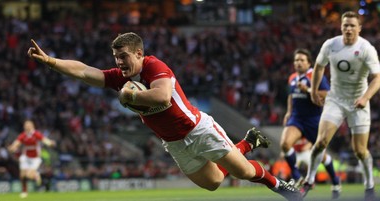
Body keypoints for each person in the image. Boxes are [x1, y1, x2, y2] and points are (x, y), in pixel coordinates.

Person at [27, 32, 302, 201]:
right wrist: (52, 62)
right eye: (115, 57)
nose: (118, 62)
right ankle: (246, 143)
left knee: (243, 172)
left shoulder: (154, 66)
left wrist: (130, 96)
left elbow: (161, 97)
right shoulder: (120, 77)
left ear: (138, 53)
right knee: (214, 183)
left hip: (198, 129)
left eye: (123, 56)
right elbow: (86, 71)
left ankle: (281, 187)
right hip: (174, 143)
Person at [301, 11, 380, 201]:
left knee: (360, 151)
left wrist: (365, 98)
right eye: (345, 25)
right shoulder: (331, 45)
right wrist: (313, 91)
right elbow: (319, 66)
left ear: (359, 28)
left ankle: (369, 186)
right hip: (335, 99)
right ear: (341, 27)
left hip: (358, 102)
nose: (349, 29)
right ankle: (309, 181)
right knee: (320, 142)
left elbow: (377, 78)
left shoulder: (366, 49)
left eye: (353, 25)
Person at [280, 48, 341, 198]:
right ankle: (297, 176)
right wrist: (288, 112)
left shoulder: (315, 75)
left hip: (314, 119)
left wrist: (308, 89)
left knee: (322, 154)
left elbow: (327, 94)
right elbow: (291, 95)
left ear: (309, 63)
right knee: (285, 144)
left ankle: (335, 179)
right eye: (296, 60)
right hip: (297, 118)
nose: (298, 63)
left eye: (302, 60)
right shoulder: (292, 77)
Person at [8, 120, 56, 198]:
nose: (27, 126)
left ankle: (36, 175)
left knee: (29, 175)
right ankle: (24, 192)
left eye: (29, 125)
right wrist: (12, 148)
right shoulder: (23, 135)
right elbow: (16, 143)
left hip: (35, 158)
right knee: (22, 175)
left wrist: (50, 143)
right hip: (25, 157)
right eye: (26, 125)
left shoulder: (36, 134)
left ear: (32, 126)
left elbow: (45, 140)